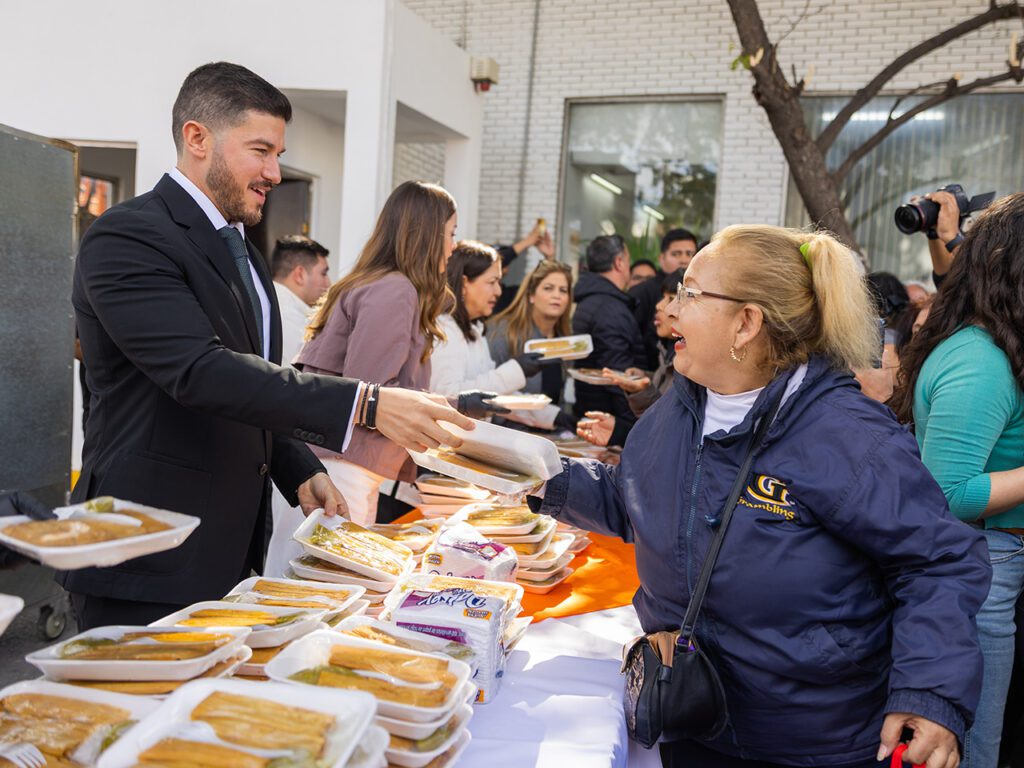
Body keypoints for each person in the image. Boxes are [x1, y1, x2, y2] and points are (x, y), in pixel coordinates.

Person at [533, 224, 990, 768]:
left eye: (690, 292)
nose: (671, 310)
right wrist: (533, 473)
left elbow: (937, 560)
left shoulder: (847, 436)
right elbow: (636, 500)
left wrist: (930, 694)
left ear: (747, 322)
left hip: (809, 740)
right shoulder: (678, 409)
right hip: (692, 718)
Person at [67, 63, 472, 628]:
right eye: (261, 150)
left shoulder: (242, 251)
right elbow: (200, 372)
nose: (275, 172)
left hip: (226, 552)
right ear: (197, 138)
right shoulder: (129, 235)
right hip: (145, 554)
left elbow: (251, 381)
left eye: (278, 154)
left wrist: (295, 464)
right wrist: (368, 403)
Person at [891, 192, 1024, 768]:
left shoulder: (992, 345)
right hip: (981, 574)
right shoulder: (980, 361)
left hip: (989, 567)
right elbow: (944, 495)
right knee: (972, 751)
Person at [285, 180, 457, 533]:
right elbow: (370, 393)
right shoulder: (395, 290)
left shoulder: (383, 284)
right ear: (427, 236)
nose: (453, 247)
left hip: (338, 461)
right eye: (451, 234)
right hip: (341, 465)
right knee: (320, 584)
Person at [428, 241, 567, 429]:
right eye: (492, 283)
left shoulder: (475, 330)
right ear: (464, 283)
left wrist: (555, 417)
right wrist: (517, 369)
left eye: (499, 283)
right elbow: (451, 398)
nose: (499, 291)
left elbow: (496, 397)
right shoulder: (444, 330)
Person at [576, 272, 682, 447]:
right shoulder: (666, 351)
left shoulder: (691, 365)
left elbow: (671, 431)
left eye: (671, 299)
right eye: (662, 298)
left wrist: (621, 432)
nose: (659, 306)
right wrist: (642, 380)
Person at [572, 234, 646, 446]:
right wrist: (631, 432)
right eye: (628, 260)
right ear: (619, 262)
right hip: (608, 423)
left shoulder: (591, 300)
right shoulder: (610, 309)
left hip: (593, 414)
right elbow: (616, 376)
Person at [489, 259, 575, 408]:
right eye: (548, 288)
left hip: (550, 430)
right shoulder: (504, 332)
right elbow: (490, 392)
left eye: (563, 290)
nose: (557, 295)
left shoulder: (564, 339)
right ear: (532, 296)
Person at [629, 228, 698, 369]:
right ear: (661, 258)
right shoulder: (642, 291)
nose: (684, 260)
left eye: (690, 253)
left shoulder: (700, 290)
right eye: (676, 254)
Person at [270, 234, 330, 365]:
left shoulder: (270, 301)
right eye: (323, 273)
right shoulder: (288, 317)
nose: (328, 283)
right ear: (300, 275)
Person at [493, 220, 555, 314]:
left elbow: (538, 285)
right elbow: (492, 263)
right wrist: (528, 241)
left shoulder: (509, 295)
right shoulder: (479, 290)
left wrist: (549, 258)